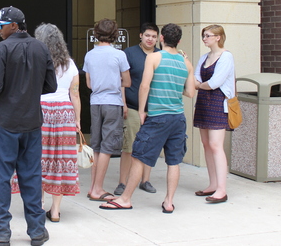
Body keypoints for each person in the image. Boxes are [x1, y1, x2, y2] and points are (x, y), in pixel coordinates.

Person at [100, 23, 195, 213]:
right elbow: (191, 92)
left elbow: (144, 86)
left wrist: (142, 111)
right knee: (173, 161)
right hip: (178, 117)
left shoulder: (154, 57)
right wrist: (173, 87)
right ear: (179, 41)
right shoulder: (186, 63)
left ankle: (125, 199)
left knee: (138, 156)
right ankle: (169, 202)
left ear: (161, 38)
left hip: (158, 115)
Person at [0, 6, 57, 246]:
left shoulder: (3, 48)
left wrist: (6, 93)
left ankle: (0, 232)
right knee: (32, 176)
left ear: (14, 25)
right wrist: (30, 91)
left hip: (6, 121)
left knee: (0, 176)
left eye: (1, 25)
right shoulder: (41, 47)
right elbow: (51, 86)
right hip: (32, 122)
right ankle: (37, 231)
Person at [34, 23, 81, 223]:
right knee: (60, 160)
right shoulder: (70, 64)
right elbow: (75, 94)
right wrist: (77, 119)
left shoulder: (36, 61)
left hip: (41, 110)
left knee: (39, 158)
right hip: (64, 112)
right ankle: (55, 211)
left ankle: (39, 204)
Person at [82, 18, 131, 202]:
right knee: (107, 146)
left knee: (96, 145)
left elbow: (88, 83)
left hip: (95, 102)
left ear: (96, 33)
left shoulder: (89, 55)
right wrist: (114, 80)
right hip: (113, 101)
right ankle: (98, 188)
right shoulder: (119, 55)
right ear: (114, 34)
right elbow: (127, 81)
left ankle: (92, 187)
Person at [115, 23, 160, 196]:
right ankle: (122, 182)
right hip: (133, 107)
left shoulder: (160, 55)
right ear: (141, 35)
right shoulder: (130, 53)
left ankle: (145, 180)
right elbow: (122, 80)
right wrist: (124, 103)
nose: (150, 39)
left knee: (150, 145)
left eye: (154, 36)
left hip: (154, 108)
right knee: (129, 145)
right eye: (147, 35)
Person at [193, 24, 235, 204]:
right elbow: (196, 77)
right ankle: (212, 184)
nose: (204, 39)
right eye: (203, 36)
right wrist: (201, 84)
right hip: (203, 102)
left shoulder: (226, 56)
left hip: (218, 102)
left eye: (208, 36)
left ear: (218, 37)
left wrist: (200, 85)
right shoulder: (204, 57)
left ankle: (221, 190)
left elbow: (215, 83)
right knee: (206, 144)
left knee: (216, 145)